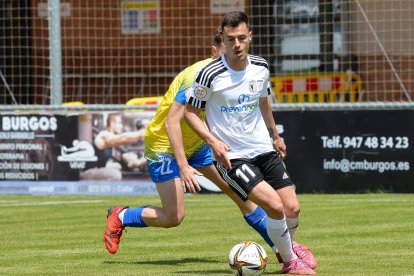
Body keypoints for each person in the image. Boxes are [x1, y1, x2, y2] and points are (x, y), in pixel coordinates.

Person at [103, 28, 282, 262]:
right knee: (173, 217)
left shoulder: (235, 74)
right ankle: (123, 215)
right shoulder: (196, 76)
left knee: (239, 193)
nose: (230, 58)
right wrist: (183, 165)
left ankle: (281, 249)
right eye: (224, 52)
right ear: (214, 51)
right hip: (164, 145)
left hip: (197, 143)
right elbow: (171, 123)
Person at [184, 11, 317, 275]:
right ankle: (290, 262)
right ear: (223, 38)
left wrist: (275, 136)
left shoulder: (261, 66)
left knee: (292, 207)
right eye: (231, 38)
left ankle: (284, 248)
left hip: (264, 149)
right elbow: (190, 113)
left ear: (250, 38)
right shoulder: (209, 74)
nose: (236, 44)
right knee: (274, 206)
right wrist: (213, 142)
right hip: (232, 157)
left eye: (241, 38)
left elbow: (264, 101)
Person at [80, 113, 147, 180]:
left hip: (95, 172)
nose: (121, 126)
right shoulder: (103, 135)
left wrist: (143, 163)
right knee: (115, 174)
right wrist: (141, 133)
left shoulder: (116, 145)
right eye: (119, 123)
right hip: (86, 172)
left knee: (117, 168)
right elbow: (122, 138)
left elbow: (130, 161)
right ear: (112, 124)